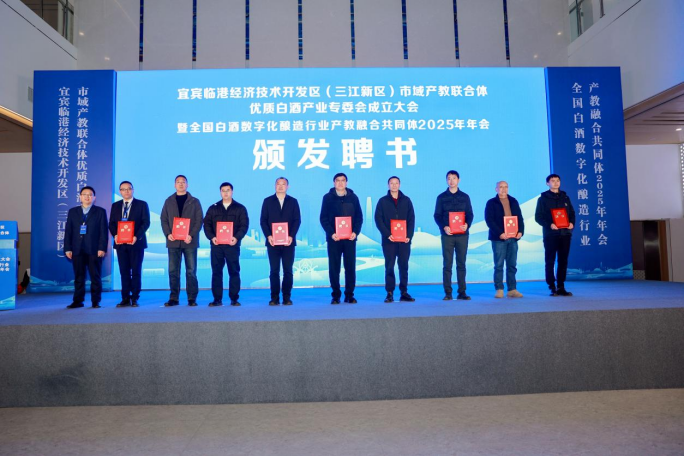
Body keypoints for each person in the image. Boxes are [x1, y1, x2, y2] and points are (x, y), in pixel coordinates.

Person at [320, 173, 363, 304]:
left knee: (350, 267)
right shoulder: (327, 198)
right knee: (334, 268)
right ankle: (336, 295)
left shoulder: (353, 198)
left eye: (343, 180)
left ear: (346, 183)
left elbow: (359, 217)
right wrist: (331, 233)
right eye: (337, 180)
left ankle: (349, 294)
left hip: (350, 239)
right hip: (334, 239)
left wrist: (355, 232)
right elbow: (323, 218)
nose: (340, 183)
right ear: (334, 183)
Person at [160, 175, 203, 306]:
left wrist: (191, 235)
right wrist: (168, 234)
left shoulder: (194, 201)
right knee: (173, 271)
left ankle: (192, 298)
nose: (180, 184)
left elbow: (199, 220)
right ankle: (174, 298)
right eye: (178, 182)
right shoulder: (169, 201)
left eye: (183, 182)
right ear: (174, 185)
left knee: (191, 271)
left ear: (187, 185)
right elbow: (164, 219)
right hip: (173, 241)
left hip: (189, 241)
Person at [203, 182, 249, 307]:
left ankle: (234, 298)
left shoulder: (240, 208)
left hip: (232, 245)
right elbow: (206, 224)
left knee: (234, 271)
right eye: (223, 190)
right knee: (216, 272)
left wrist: (236, 238)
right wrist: (212, 237)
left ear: (232, 192)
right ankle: (217, 299)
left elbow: (244, 225)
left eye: (228, 190)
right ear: (220, 192)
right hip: (217, 245)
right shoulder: (213, 208)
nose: (225, 193)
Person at [63, 186, 108, 309]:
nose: (87, 197)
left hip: (94, 249)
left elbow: (103, 232)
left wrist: (102, 248)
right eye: (84, 194)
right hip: (77, 249)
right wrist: (67, 248)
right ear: (80, 197)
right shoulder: (73, 212)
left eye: (90, 195)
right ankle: (78, 301)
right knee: (79, 277)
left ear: (94, 197)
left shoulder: (100, 211)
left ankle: (95, 301)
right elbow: (68, 231)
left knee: (95, 276)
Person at [259, 177, 301, 306]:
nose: (281, 186)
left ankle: (287, 297)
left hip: (288, 242)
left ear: (288, 186)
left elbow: (297, 220)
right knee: (274, 271)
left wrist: (291, 236)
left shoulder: (293, 201)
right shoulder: (267, 201)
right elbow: (263, 221)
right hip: (273, 242)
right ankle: (274, 298)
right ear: (274, 186)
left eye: (284, 184)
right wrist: (268, 236)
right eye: (278, 184)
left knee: (288, 270)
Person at [109, 181, 151, 307]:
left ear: (133, 190)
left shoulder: (142, 204)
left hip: (136, 243)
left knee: (136, 271)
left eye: (129, 189)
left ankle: (135, 297)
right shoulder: (115, 205)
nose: (126, 191)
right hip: (121, 244)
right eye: (123, 189)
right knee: (124, 271)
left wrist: (136, 236)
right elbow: (111, 223)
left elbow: (146, 222)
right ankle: (125, 298)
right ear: (120, 191)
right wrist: (115, 235)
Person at [374, 176, 416, 303]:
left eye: (396, 183)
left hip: (404, 240)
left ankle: (404, 292)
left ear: (399, 185)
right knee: (389, 266)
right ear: (388, 185)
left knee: (404, 266)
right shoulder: (382, 201)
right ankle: (389, 293)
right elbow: (378, 219)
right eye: (391, 183)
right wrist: (387, 234)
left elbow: (411, 219)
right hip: (389, 240)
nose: (394, 185)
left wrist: (408, 235)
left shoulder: (407, 200)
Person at [433, 170, 474, 301]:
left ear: (458, 180)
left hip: (462, 235)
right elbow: (437, 215)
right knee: (447, 264)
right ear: (446, 181)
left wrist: (467, 224)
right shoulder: (441, 197)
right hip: (447, 235)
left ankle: (462, 292)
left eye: (454, 178)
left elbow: (470, 214)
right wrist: (444, 227)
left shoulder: (465, 197)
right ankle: (448, 292)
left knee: (461, 264)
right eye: (449, 178)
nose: (451, 181)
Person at [535, 173, 575, 296]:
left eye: (558, 180)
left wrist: (571, 223)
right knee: (550, 260)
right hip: (550, 235)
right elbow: (538, 217)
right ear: (547, 183)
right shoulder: (543, 199)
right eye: (553, 181)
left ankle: (561, 286)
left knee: (563, 260)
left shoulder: (565, 197)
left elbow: (572, 213)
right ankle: (552, 285)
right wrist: (550, 225)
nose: (556, 183)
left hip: (565, 234)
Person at [484, 181, 525, 299]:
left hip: (513, 238)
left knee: (512, 265)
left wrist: (520, 231)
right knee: (499, 265)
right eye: (501, 187)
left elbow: (520, 218)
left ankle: (512, 289)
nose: (503, 189)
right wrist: (500, 233)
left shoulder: (513, 201)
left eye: (506, 187)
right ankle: (499, 289)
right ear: (496, 189)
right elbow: (489, 220)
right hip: (499, 239)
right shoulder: (491, 202)